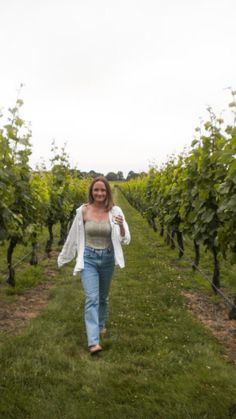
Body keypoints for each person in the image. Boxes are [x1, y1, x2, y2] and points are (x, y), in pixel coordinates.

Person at [57, 176, 131, 355]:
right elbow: (74, 235)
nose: (99, 193)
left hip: (107, 258)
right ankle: (93, 341)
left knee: (103, 297)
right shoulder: (82, 211)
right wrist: (65, 256)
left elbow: (125, 239)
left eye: (103, 190)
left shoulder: (115, 211)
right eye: (96, 190)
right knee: (92, 297)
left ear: (107, 192)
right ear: (91, 191)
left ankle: (100, 324)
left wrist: (121, 227)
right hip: (88, 258)